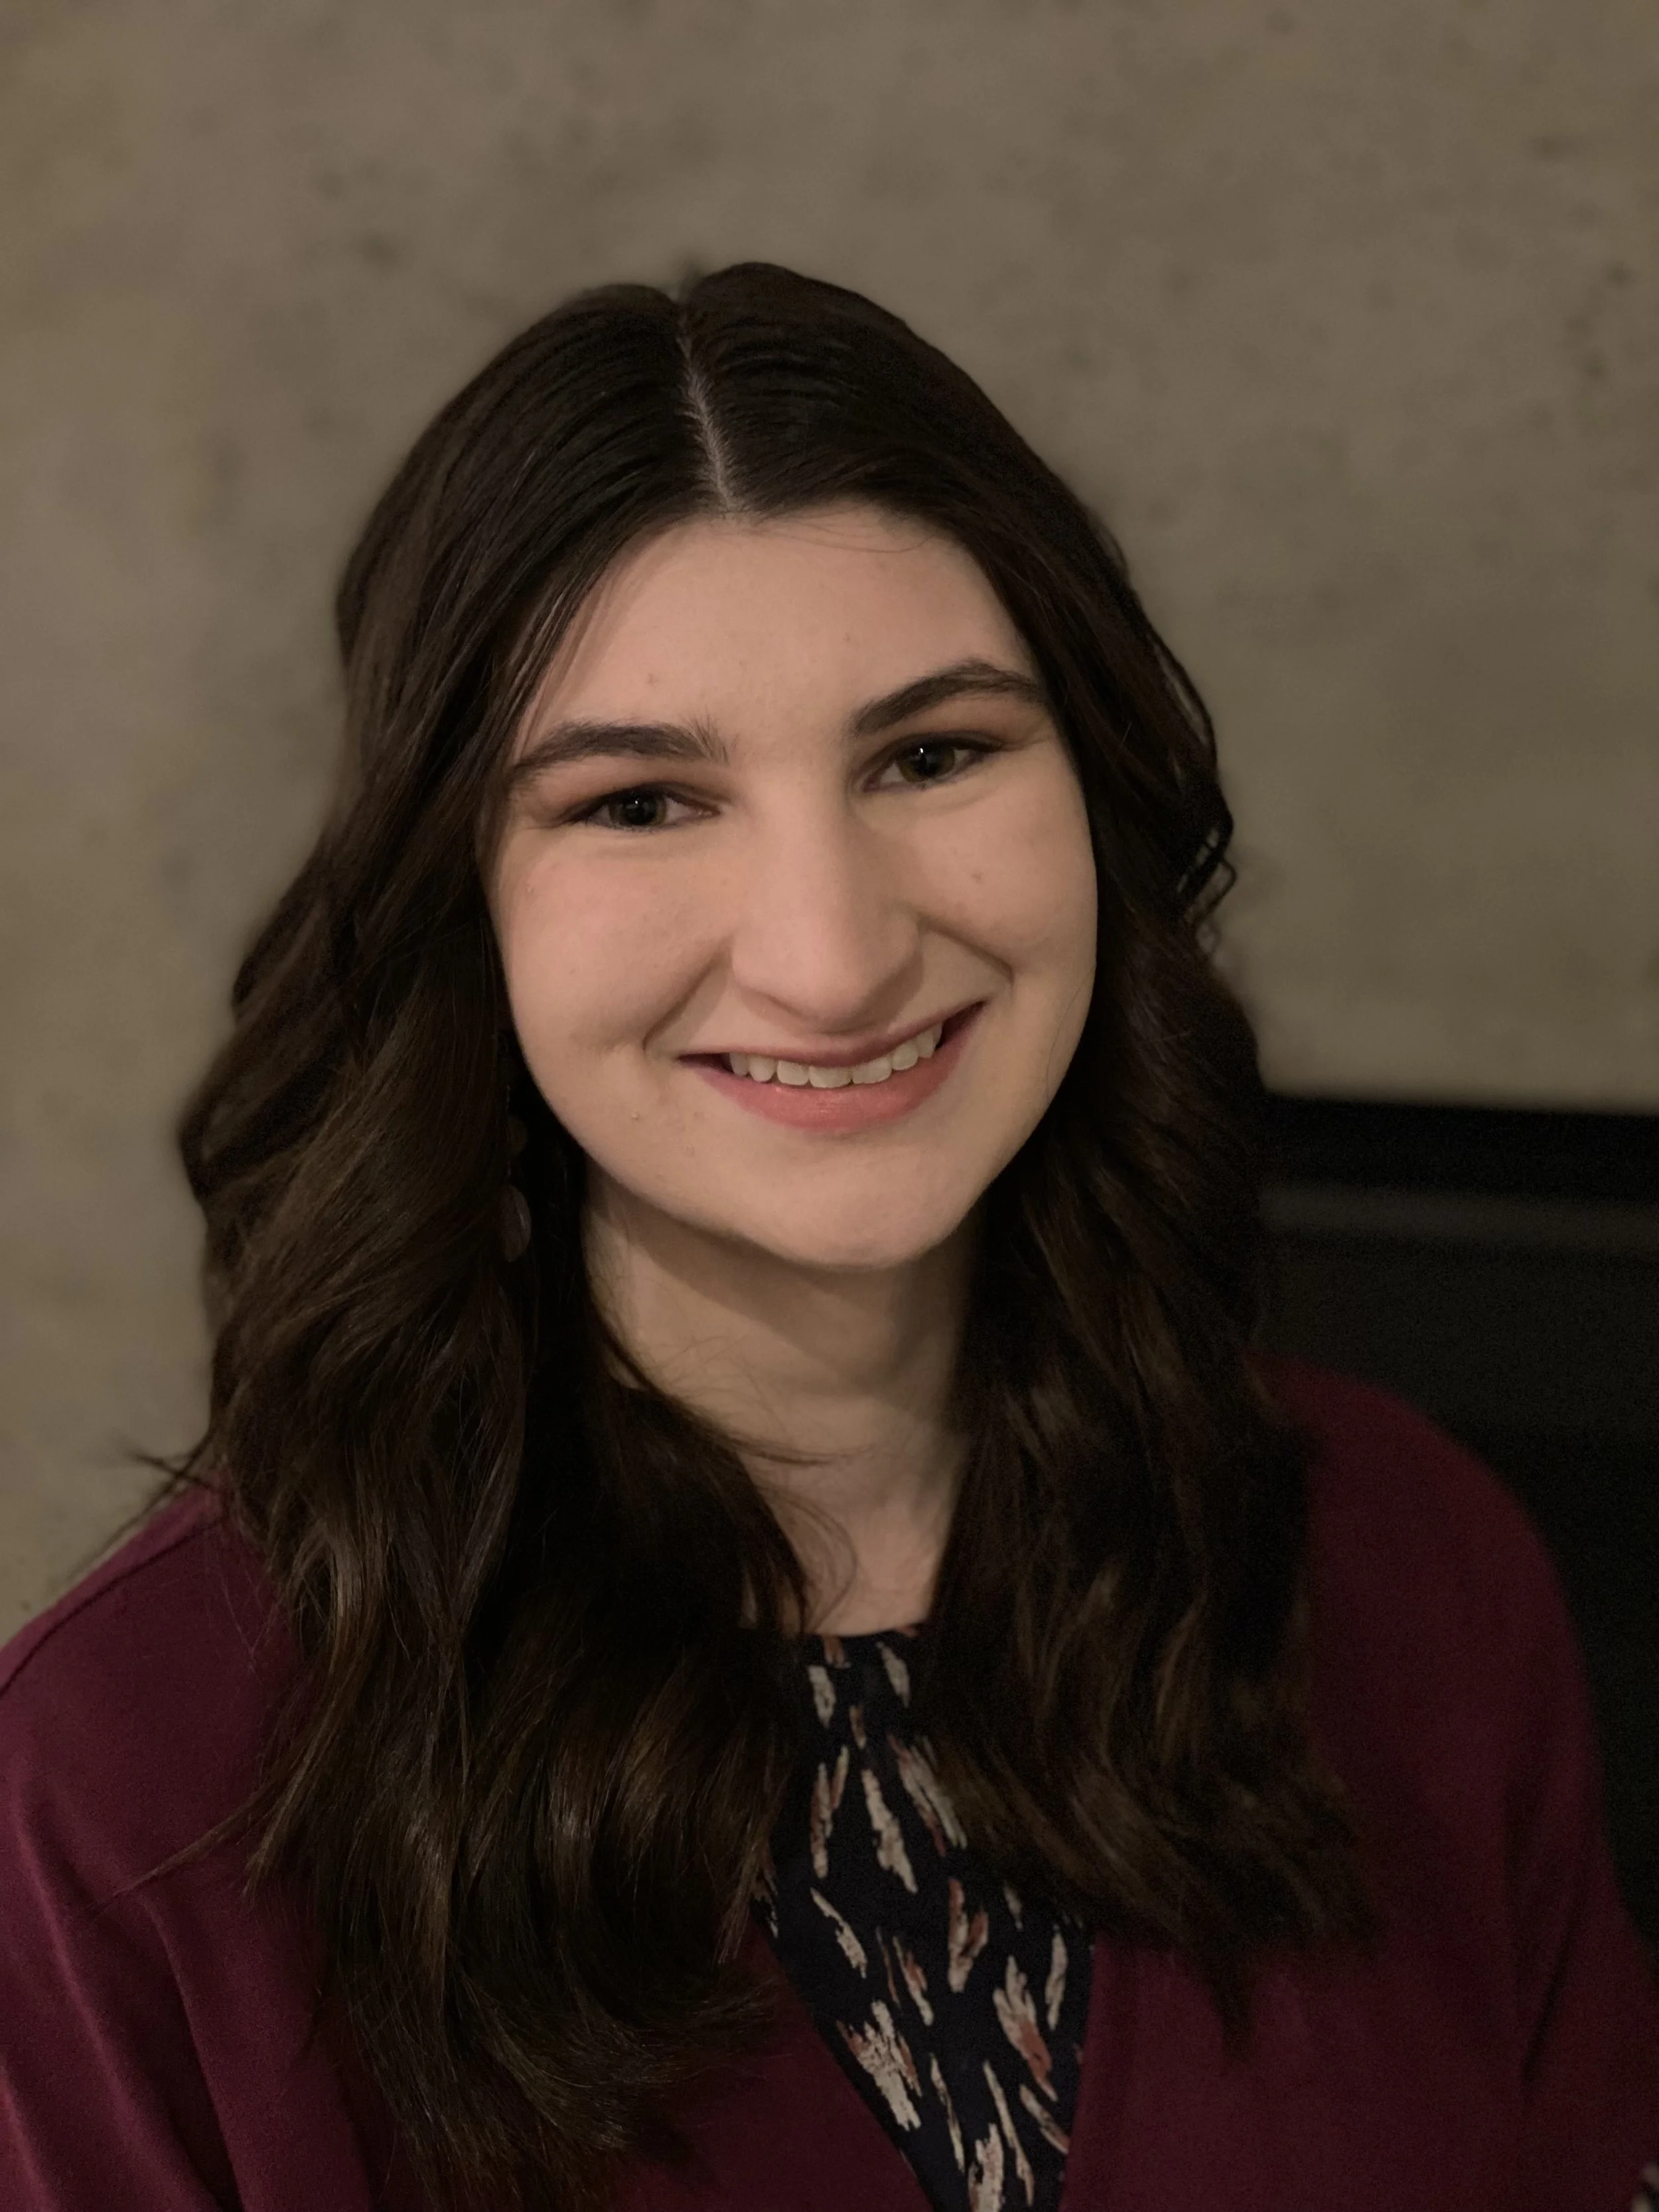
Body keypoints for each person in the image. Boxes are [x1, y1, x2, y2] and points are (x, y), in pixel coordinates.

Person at [1, 263, 1654, 2212]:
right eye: (639, 800)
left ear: (1095, 800)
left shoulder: (1413, 1566)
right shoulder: (126, 1778)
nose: (832, 951)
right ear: (465, 913)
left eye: (931, 755)